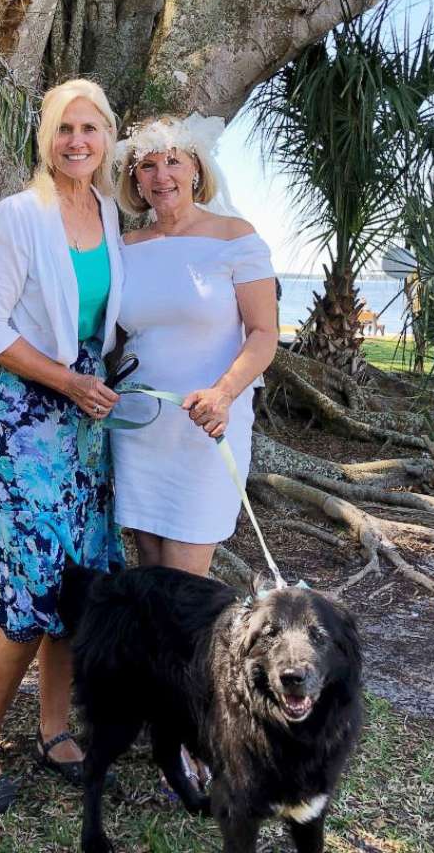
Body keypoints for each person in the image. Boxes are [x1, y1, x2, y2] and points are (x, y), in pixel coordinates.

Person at [0, 79, 124, 814]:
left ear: (107, 137)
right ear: (46, 137)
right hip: (24, 421)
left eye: (90, 128)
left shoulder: (111, 213)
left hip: (87, 425)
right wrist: (64, 379)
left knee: (80, 585)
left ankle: (55, 729)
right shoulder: (19, 215)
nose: (77, 140)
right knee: (28, 593)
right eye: (65, 128)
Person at [111, 114, 280, 580]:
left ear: (196, 170)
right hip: (140, 426)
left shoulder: (236, 237)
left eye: (173, 161)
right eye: (147, 166)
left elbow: (264, 334)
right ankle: (153, 657)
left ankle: (188, 656)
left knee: (185, 580)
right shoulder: (125, 246)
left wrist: (224, 393)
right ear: (135, 181)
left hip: (208, 426)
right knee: (150, 572)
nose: (161, 175)